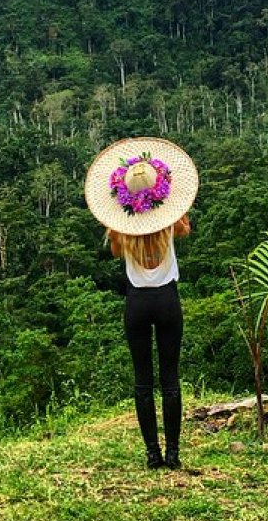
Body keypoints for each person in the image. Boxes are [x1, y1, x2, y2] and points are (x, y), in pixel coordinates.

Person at [84, 138, 199, 469]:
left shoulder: (123, 234)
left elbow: (116, 250)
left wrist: (119, 218)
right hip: (167, 300)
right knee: (171, 378)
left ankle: (152, 454)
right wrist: (173, 204)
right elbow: (185, 228)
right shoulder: (171, 224)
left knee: (142, 380)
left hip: (137, 303)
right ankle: (173, 453)